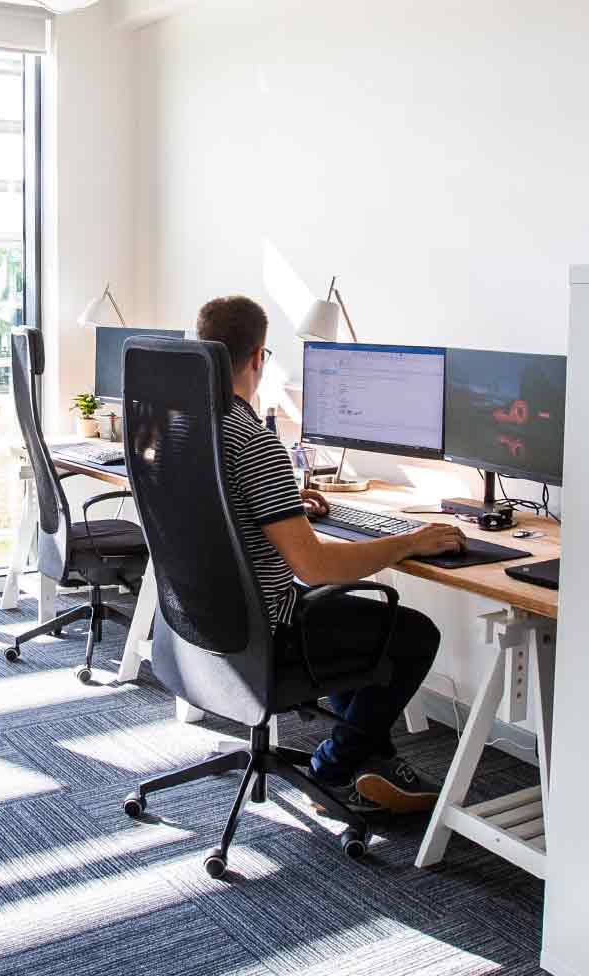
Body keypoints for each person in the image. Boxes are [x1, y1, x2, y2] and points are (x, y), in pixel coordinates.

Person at [196, 296, 467, 815]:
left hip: (207, 621)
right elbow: (314, 565)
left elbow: (221, 500)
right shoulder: (252, 440)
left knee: (347, 622)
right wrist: (409, 542)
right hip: (267, 629)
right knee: (412, 634)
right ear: (258, 357)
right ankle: (334, 768)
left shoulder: (186, 425)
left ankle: (375, 758)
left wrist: (282, 504)